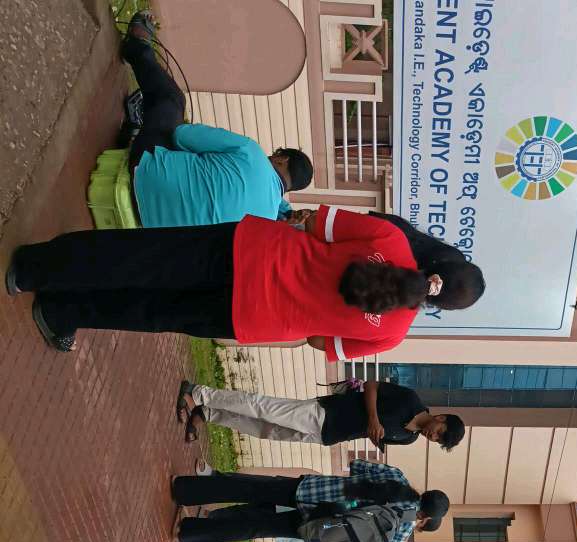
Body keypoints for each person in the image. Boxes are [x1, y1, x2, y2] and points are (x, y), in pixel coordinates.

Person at [5, 205, 472, 355]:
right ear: (440, 306)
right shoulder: (391, 334)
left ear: (441, 257)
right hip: (250, 315)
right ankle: (60, 310)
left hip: (247, 250)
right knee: (149, 312)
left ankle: (32, 268)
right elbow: (318, 342)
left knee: (141, 258)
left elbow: (314, 222)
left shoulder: (390, 239)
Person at [119, 12, 313, 228]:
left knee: (173, 100)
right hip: (152, 229)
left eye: (276, 154)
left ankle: (136, 45)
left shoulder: (251, 152)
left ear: (282, 159)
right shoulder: (264, 223)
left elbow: (181, 135)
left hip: (144, 177)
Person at [171, 460, 449, 542]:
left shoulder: (397, 477)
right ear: (425, 517)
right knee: (256, 528)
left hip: (313, 491)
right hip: (321, 526)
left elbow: (357, 466)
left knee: (249, 489)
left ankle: (184, 490)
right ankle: (187, 531)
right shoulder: (404, 526)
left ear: (425, 492)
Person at [176, 377, 466, 450]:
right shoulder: (410, 400)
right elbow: (371, 386)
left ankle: (208, 413)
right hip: (327, 412)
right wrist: (374, 419)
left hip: (329, 435)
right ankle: (198, 393)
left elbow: (374, 435)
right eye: (439, 433)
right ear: (441, 418)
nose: (433, 437)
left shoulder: (408, 438)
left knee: (264, 430)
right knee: (263, 407)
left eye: (438, 441)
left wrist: (374, 433)